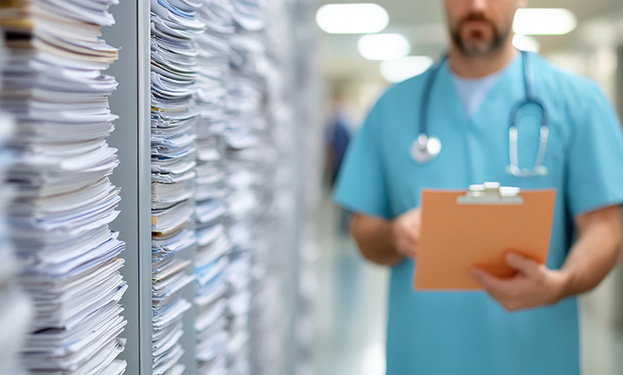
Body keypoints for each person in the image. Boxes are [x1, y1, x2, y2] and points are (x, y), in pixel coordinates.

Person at [332, 0, 623, 374]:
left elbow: (604, 228)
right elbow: (362, 229)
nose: (477, 5)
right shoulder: (391, 108)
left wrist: (562, 283)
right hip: (423, 357)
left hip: (536, 358)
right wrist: (392, 235)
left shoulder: (580, 103)